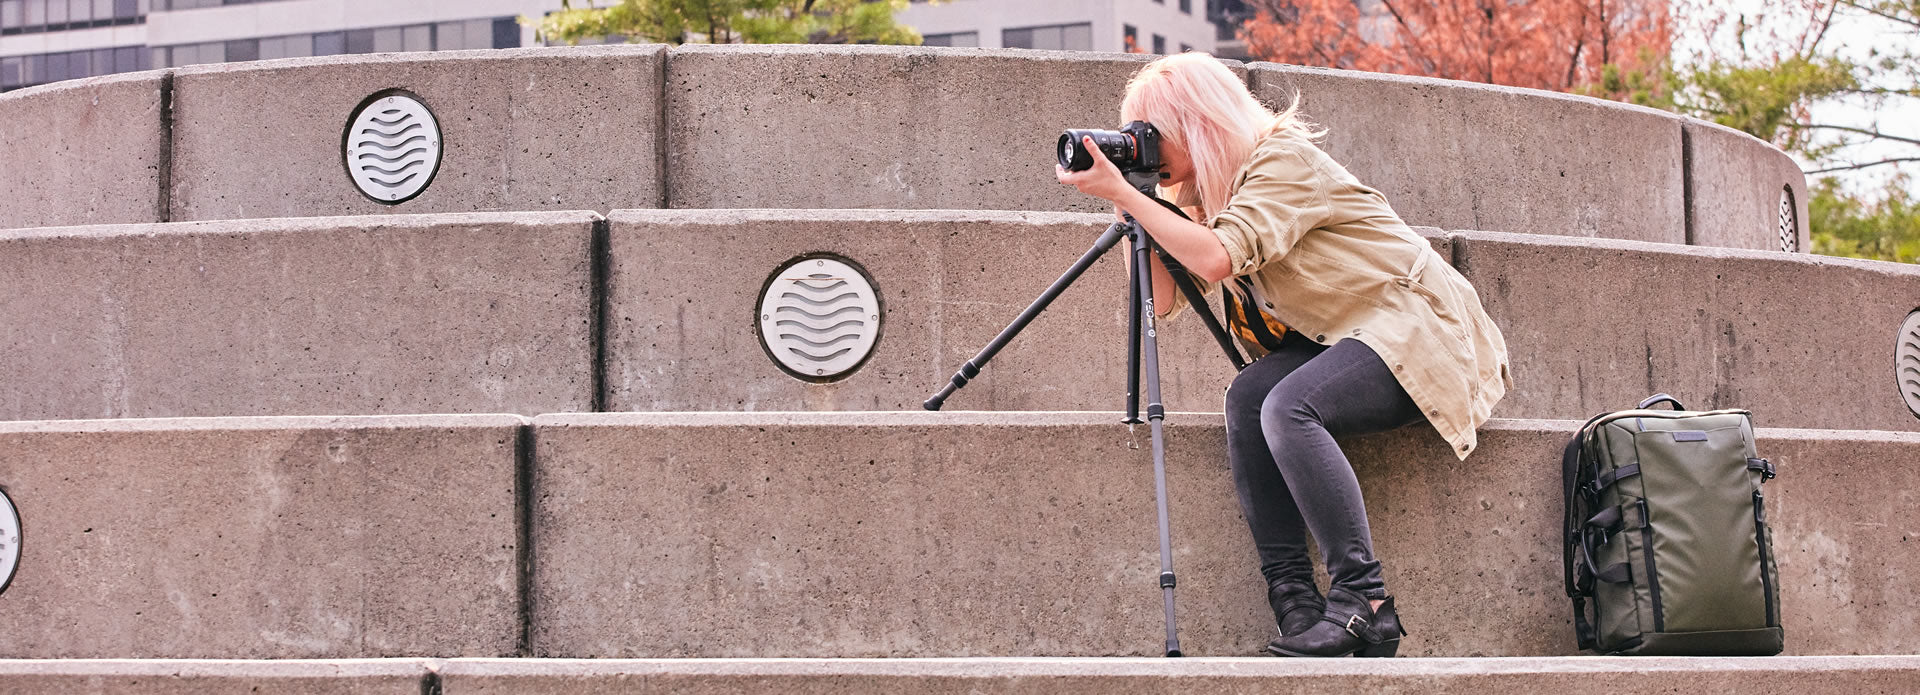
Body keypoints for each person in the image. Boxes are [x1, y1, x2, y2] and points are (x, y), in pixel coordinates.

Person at [1055, 52, 1512, 658]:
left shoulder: (1282, 160)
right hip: (1345, 335)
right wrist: (1129, 199)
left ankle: (1364, 604)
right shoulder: (1208, 198)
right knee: (1248, 397)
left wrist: (1130, 194)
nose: (1146, 149)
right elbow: (1163, 303)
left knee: (1289, 406)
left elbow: (1217, 258)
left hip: (1418, 330)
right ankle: (1295, 603)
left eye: (1153, 136)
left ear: (1199, 124)